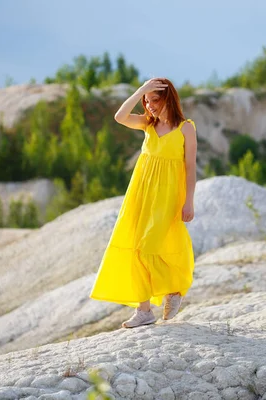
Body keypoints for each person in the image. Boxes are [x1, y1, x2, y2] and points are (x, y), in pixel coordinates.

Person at [89, 77, 197, 328]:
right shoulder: (148, 124)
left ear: (167, 99)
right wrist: (141, 91)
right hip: (141, 193)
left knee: (150, 246)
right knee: (136, 247)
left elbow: (190, 168)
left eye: (153, 101)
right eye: (146, 102)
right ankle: (144, 310)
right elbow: (119, 116)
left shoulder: (186, 128)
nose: (148, 106)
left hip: (168, 197)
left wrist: (189, 202)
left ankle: (172, 290)